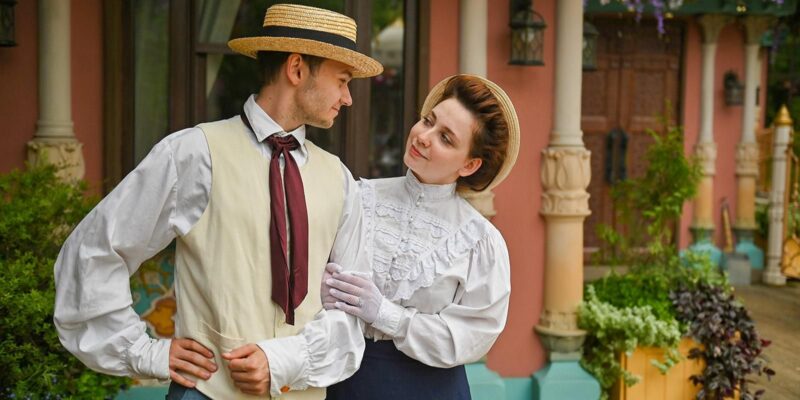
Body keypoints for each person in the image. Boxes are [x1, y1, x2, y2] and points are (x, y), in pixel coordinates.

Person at [53, 4, 383, 399]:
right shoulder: (195, 153)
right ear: (297, 69)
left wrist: (282, 361)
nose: (348, 98)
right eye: (342, 80)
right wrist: (142, 351)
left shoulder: (339, 179)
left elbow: (349, 309)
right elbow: (94, 251)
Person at [323, 74, 519, 399]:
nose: (423, 137)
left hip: (430, 389)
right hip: (347, 381)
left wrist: (385, 314)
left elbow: (471, 336)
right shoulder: (358, 198)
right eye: (428, 121)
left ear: (469, 165)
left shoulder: (479, 242)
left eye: (446, 138)